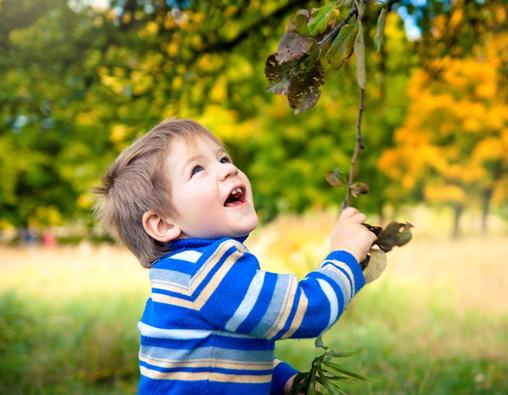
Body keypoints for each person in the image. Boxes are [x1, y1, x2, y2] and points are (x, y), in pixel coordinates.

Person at [94, 119, 383, 395]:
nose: (227, 170)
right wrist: (344, 254)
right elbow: (308, 310)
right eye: (196, 169)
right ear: (164, 223)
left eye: (223, 159)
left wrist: (283, 380)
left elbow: (219, 360)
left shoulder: (183, 274)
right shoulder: (206, 273)